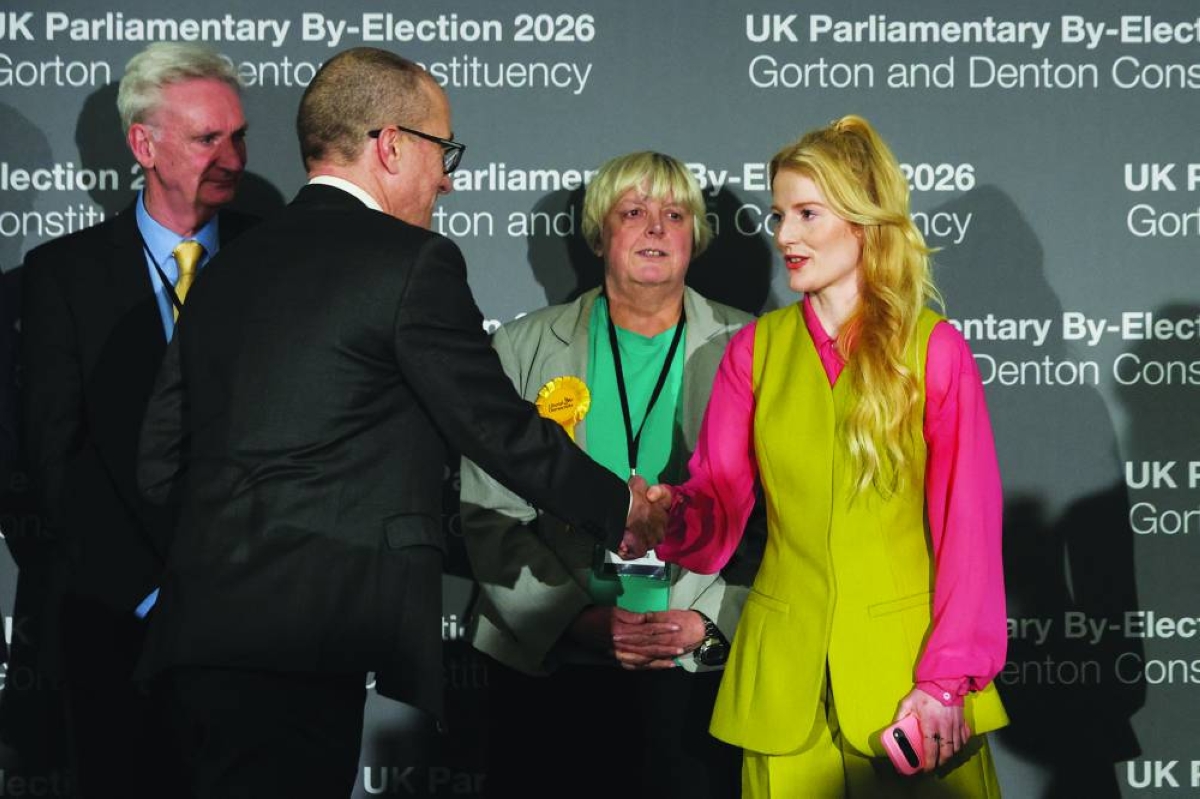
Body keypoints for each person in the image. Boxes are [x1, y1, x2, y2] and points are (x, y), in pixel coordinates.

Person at [134, 47, 664, 798]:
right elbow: (497, 427)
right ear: (390, 145)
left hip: (194, 637)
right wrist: (624, 509)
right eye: (441, 149)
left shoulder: (225, 268)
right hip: (308, 641)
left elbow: (157, 461)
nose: (447, 176)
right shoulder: (411, 263)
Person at [649, 115, 1009, 797]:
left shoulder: (933, 349)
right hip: (784, 694)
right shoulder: (752, 352)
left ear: (864, 220)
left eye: (808, 213)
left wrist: (945, 681)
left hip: (911, 697)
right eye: (780, 214)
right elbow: (716, 515)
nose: (784, 235)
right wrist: (657, 518)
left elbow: (969, 529)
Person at [460, 151, 763, 798]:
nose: (655, 228)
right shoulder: (520, 349)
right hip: (552, 670)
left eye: (673, 214)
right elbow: (487, 508)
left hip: (700, 673)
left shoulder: (757, 347)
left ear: (695, 237)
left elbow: (784, 517)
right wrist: (575, 619)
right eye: (634, 212)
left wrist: (712, 618)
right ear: (601, 233)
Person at [19, 42, 252, 798]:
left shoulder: (276, 261)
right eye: (206, 138)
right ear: (142, 145)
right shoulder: (60, 277)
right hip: (117, 629)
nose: (230, 155)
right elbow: (45, 461)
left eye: (238, 136)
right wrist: (146, 590)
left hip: (258, 627)